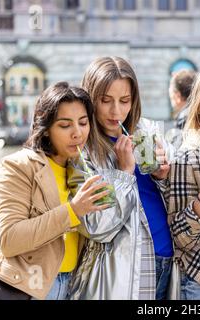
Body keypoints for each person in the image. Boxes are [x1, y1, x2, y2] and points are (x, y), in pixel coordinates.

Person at [0, 82, 109, 300]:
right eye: (64, 125)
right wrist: (73, 211)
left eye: (83, 122)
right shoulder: (17, 166)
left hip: (73, 284)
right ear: (46, 126)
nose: (77, 133)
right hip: (30, 288)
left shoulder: (80, 168)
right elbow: (8, 239)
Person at [67, 56, 173, 300]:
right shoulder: (82, 151)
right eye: (106, 101)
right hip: (124, 272)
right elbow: (96, 227)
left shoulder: (146, 133)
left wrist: (162, 176)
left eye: (124, 100)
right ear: (90, 100)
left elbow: (171, 201)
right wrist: (124, 173)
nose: (116, 111)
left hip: (167, 260)